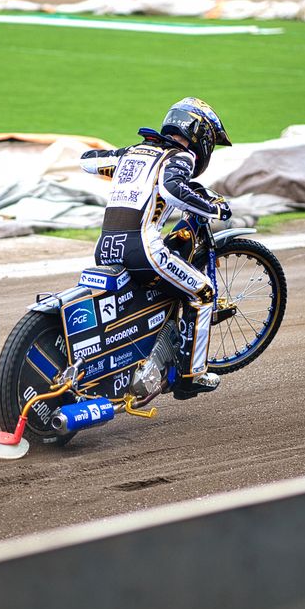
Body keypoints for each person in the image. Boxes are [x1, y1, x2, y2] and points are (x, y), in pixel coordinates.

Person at [80, 97, 233, 400]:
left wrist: (126, 163)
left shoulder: (133, 153)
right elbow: (174, 189)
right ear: (200, 137)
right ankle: (192, 375)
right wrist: (213, 209)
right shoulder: (180, 156)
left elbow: (88, 160)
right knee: (202, 293)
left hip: (105, 249)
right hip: (142, 250)